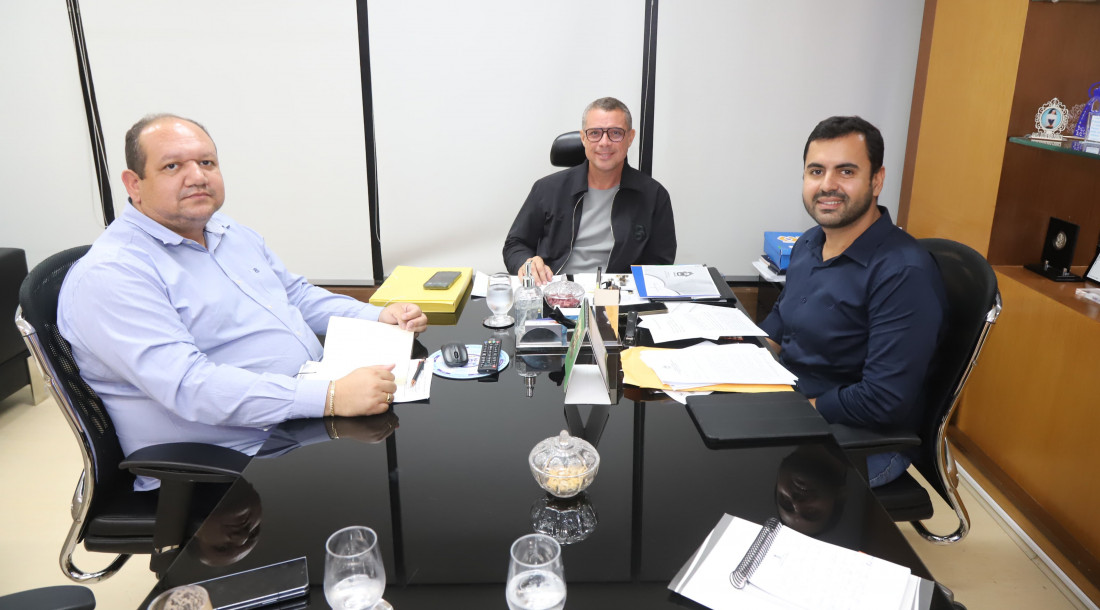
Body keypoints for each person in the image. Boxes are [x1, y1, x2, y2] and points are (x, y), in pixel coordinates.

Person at [58, 114, 428, 490]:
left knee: (426, 444)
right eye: (172, 166)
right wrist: (331, 396)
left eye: (207, 162)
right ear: (134, 184)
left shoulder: (226, 230)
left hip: (299, 414)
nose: (197, 176)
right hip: (230, 462)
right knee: (409, 486)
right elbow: (190, 386)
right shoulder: (113, 273)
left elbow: (295, 295)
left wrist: (377, 316)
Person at [760, 116, 947, 488]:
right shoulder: (809, 242)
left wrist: (795, 413)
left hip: (859, 440)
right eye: (816, 171)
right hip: (797, 404)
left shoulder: (903, 272)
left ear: (877, 180)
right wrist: (733, 360)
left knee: (733, 477)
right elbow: (781, 322)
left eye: (846, 171)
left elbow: (882, 399)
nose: (828, 185)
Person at [503, 97, 676, 284]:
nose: (604, 142)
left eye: (615, 133)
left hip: (617, 294)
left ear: (630, 138)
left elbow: (659, 262)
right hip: (554, 290)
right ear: (583, 138)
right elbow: (515, 244)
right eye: (594, 133)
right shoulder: (547, 189)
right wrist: (526, 263)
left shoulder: (654, 196)